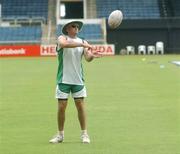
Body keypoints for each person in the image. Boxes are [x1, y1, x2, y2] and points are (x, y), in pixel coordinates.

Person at [49, 20, 101, 144]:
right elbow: (64, 44)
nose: (76, 28)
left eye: (77, 26)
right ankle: (60, 135)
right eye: (73, 26)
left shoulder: (83, 41)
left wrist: (92, 55)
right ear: (67, 29)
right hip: (63, 79)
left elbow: (87, 58)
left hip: (78, 79)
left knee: (81, 106)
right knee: (61, 107)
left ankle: (84, 134)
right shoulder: (62, 38)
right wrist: (82, 46)